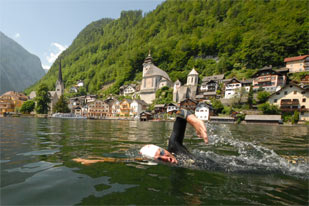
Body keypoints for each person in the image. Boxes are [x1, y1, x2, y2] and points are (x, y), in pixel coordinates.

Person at [140, 109, 208, 164]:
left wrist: (193, 120)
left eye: (162, 153)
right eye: (159, 159)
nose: (166, 158)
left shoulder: (174, 146)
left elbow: (181, 113)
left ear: (163, 149)